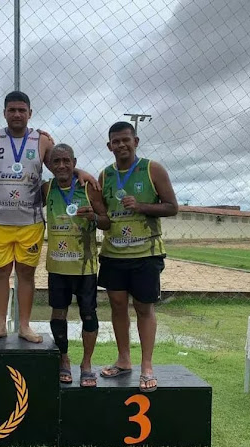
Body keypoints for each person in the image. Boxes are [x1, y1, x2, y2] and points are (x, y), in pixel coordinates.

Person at [98, 121, 178, 392]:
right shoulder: (105, 175)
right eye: (115, 141)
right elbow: (104, 215)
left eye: (125, 140)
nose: (121, 145)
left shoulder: (152, 169)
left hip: (146, 252)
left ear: (136, 141)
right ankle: (124, 360)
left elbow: (172, 207)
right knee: (118, 306)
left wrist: (141, 205)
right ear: (109, 146)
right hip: (113, 252)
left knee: (144, 308)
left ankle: (147, 366)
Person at [0, 91, 53, 343]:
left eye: (22, 110)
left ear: (30, 113)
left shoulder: (41, 141)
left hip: (30, 223)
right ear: (4, 113)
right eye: (12, 110)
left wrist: (81, 172)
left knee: (26, 276)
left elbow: (62, 167)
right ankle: (0, 325)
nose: (17, 114)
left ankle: (24, 326)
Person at [43, 144, 110, 387]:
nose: (61, 165)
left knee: (89, 315)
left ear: (74, 162)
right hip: (58, 267)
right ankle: (64, 359)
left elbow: (106, 222)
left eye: (66, 161)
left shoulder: (88, 188)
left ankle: (86, 364)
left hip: (85, 267)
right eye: (56, 161)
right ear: (50, 165)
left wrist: (93, 216)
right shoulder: (46, 188)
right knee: (58, 314)